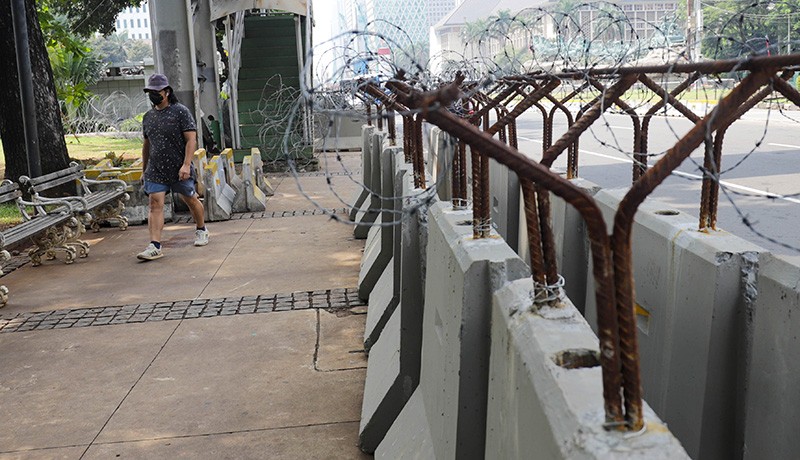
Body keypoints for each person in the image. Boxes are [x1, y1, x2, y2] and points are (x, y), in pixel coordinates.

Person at [137, 73, 209, 261]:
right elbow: (147, 145)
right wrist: (144, 170)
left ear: (167, 92)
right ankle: (155, 245)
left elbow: (191, 139)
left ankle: (201, 229)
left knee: (191, 200)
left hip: (179, 168)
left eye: (156, 91)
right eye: (150, 92)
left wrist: (186, 165)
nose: (153, 95)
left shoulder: (180, 112)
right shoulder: (148, 117)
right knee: (155, 204)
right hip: (156, 170)